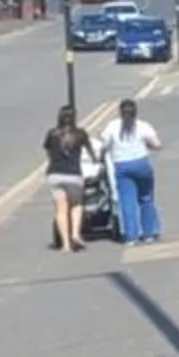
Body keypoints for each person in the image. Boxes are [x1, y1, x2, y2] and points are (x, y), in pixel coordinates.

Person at [101, 100, 163, 245]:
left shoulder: (112, 126)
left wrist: (103, 154)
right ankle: (149, 234)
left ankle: (132, 237)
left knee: (127, 201)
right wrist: (147, 144)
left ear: (120, 112)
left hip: (122, 166)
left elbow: (104, 145)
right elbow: (157, 144)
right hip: (141, 164)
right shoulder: (142, 126)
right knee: (146, 199)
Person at [43, 106, 94, 252]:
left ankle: (65, 244)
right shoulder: (80, 134)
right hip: (73, 175)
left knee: (61, 210)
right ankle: (75, 234)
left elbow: (49, 152)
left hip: (55, 175)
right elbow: (92, 153)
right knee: (77, 204)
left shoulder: (52, 134)